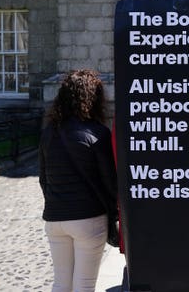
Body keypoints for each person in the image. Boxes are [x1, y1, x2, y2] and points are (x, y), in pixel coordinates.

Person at [39, 69, 118, 291]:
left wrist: (57, 201)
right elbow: (109, 182)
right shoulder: (98, 133)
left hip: (55, 218)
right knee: (84, 285)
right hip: (88, 218)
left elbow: (43, 178)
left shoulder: (49, 133)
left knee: (61, 284)